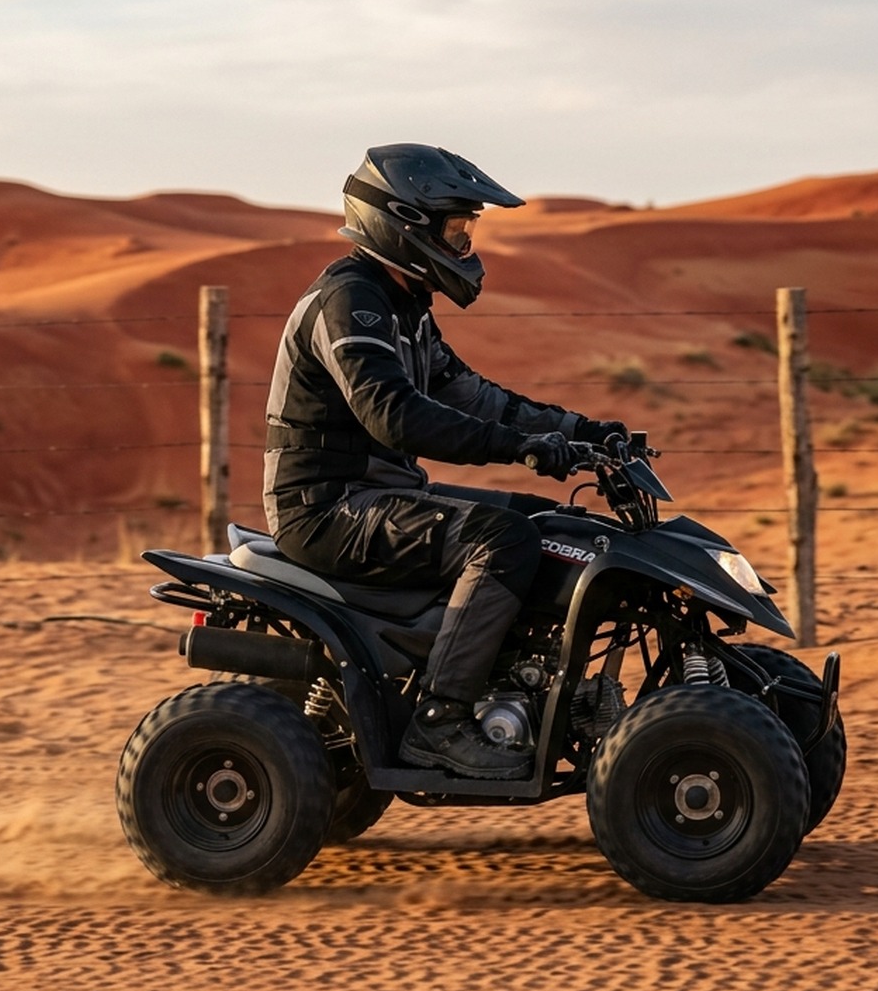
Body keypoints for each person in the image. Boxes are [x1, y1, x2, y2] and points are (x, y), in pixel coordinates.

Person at [261, 144, 627, 780]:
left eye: (466, 232)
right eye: (454, 230)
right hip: (325, 508)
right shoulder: (351, 302)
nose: (464, 246)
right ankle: (440, 720)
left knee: (549, 526)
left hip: (379, 497)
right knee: (502, 539)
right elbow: (395, 415)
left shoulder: (403, 308)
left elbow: (475, 396)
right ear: (402, 225)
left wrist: (582, 431)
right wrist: (519, 447)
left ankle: (516, 683)